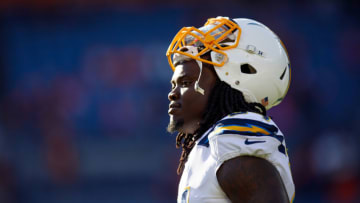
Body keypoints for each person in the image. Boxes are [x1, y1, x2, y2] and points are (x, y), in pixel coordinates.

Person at [166, 16, 295, 203]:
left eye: (186, 82)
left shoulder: (233, 141)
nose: (172, 94)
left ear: (240, 75)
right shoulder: (211, 146)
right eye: (173, 85)